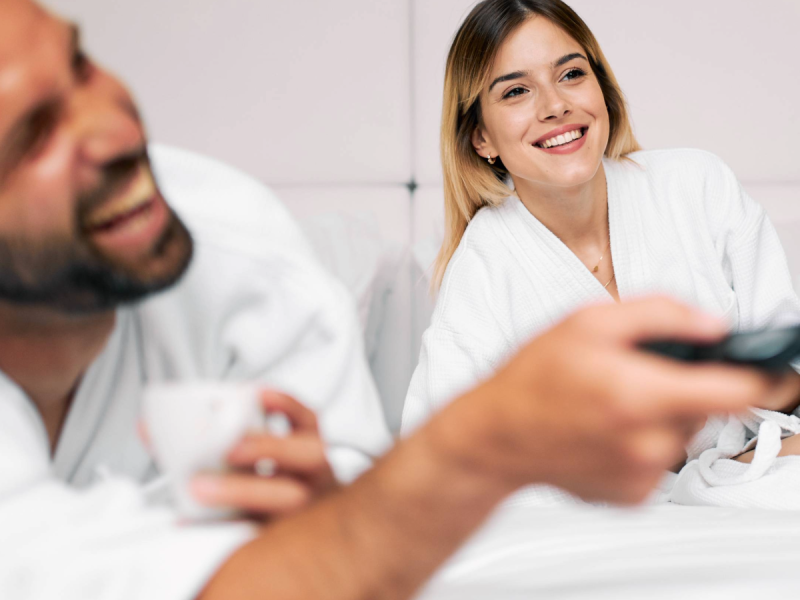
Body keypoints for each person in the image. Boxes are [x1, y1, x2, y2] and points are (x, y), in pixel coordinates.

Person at [0, 1, 788, 599]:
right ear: (480, 135)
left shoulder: (237, 254)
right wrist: (491, 443)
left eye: (81, 67)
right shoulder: (487, 269)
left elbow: (345, 521)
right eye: (34, 133)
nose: (111, 133)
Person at [400, 0, 800, 507]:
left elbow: (792, 387)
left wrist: (721, 379)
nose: (555, 105)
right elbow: (436, 474)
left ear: (602, 91)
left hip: (760, 470)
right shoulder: (482, 273)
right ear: (481, 137)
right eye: (517, 91)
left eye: (571, 74)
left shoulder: (697, 186)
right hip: (602, 517)